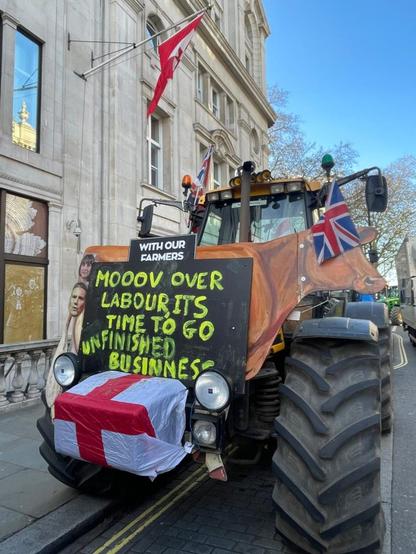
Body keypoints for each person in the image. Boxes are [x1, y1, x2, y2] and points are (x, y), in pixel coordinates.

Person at [45, 282, 88, 406]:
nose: (75, 301)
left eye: (80, 298)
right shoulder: (72, 318)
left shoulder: (80, 323)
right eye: (73, 297)